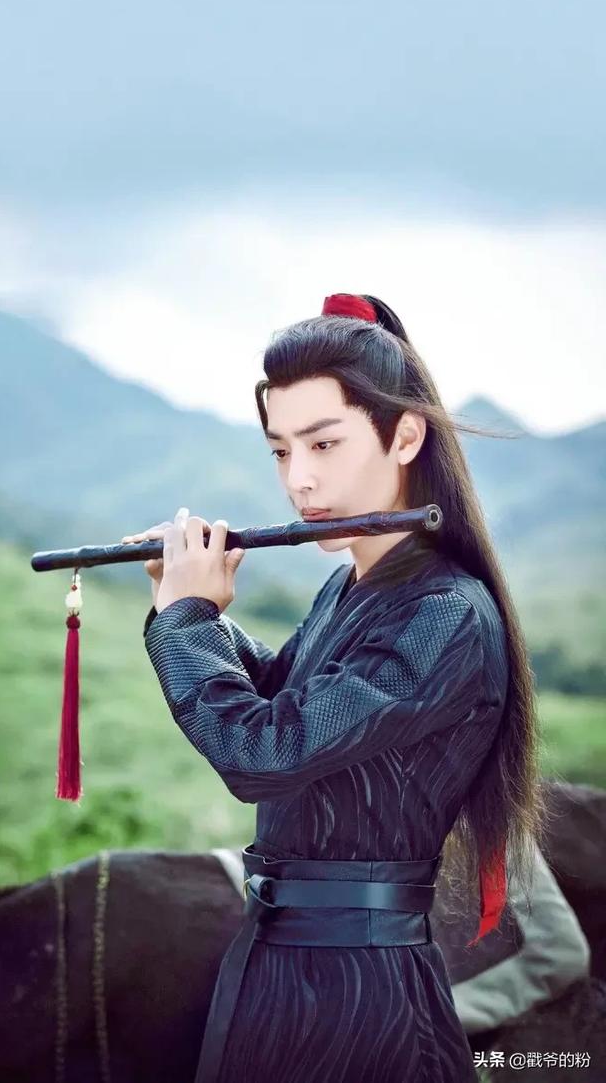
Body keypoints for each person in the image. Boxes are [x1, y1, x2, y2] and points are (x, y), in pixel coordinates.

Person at [123, 293, 545, 1083]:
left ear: (405, 436)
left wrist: (189, 620)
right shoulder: (352, 586)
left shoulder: (444, 614)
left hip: (363, 994)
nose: (301, 481)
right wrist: (181, 604)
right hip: (281, 974)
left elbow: (265, 751)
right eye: (281, 452)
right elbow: (285, 699)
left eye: (324, 444)